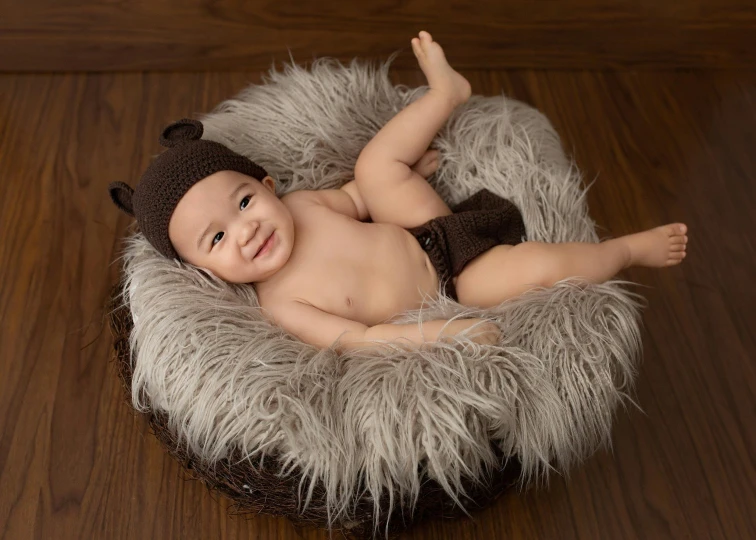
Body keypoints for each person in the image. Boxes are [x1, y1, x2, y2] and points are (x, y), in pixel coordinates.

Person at [109, 31, 688, 352]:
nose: (248, 228)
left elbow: (359, 199)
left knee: (374, 165)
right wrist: (442, 330)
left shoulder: (302, 204)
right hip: (452, 280)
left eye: (244, 202)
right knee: (540, 266)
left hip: (426, 230)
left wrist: (399, 178)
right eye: (217, 237)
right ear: (202, 270)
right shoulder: (281, 304)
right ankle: (625, 252)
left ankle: (445, 94)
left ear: (267, 184)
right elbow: (363, 339)